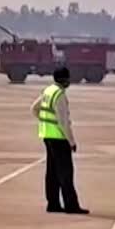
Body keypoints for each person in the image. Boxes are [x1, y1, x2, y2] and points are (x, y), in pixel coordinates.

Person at [31, 67, 88, 214]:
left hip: (47, 136)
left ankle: (53, 203)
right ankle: (71, 205)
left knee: (52, 172)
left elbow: (34, 109)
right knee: (65, 173)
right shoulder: (60, 95)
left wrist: (45, 122)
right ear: (64, 79)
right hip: (59, 138)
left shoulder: (48, 91)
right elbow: (63, 122)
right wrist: (72, 142)